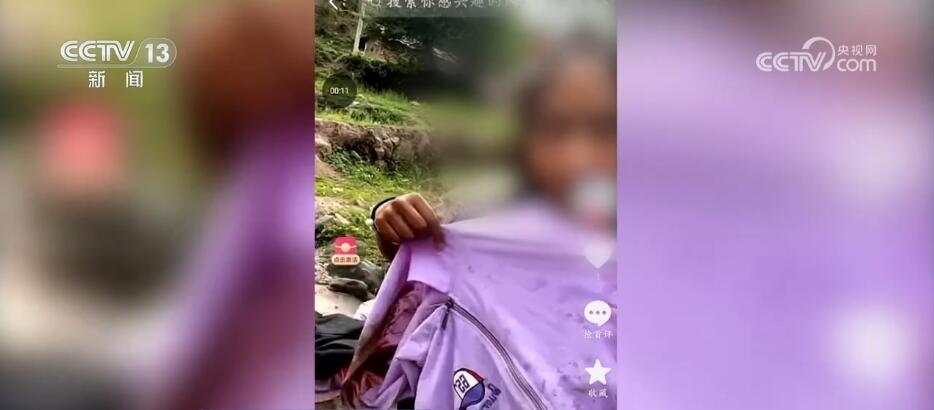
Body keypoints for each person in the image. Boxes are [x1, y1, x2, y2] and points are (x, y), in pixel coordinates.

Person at [371, 41, 617, 261]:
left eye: (606, 128)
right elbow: (421, 255)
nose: (578, 156)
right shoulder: (488, 210)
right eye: (554, 128)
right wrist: (392, 221)